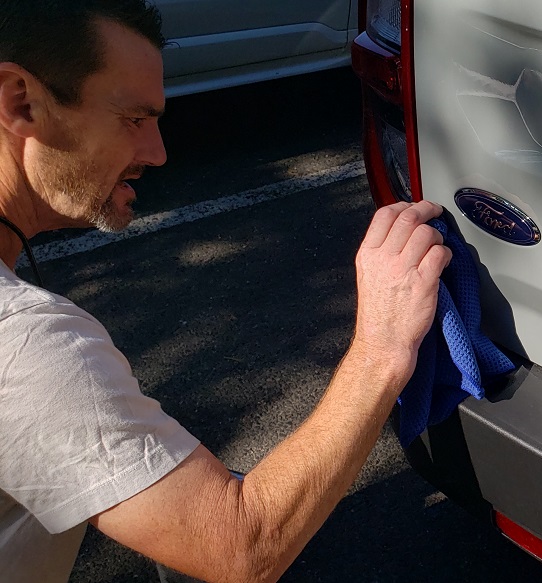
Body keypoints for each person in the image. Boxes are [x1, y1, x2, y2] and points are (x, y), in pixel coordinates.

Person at [0, 1, 452, 581]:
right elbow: (240, 548)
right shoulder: (26, 344)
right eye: (132, 120)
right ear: (19, 101)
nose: (158, 153)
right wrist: (382, 347)